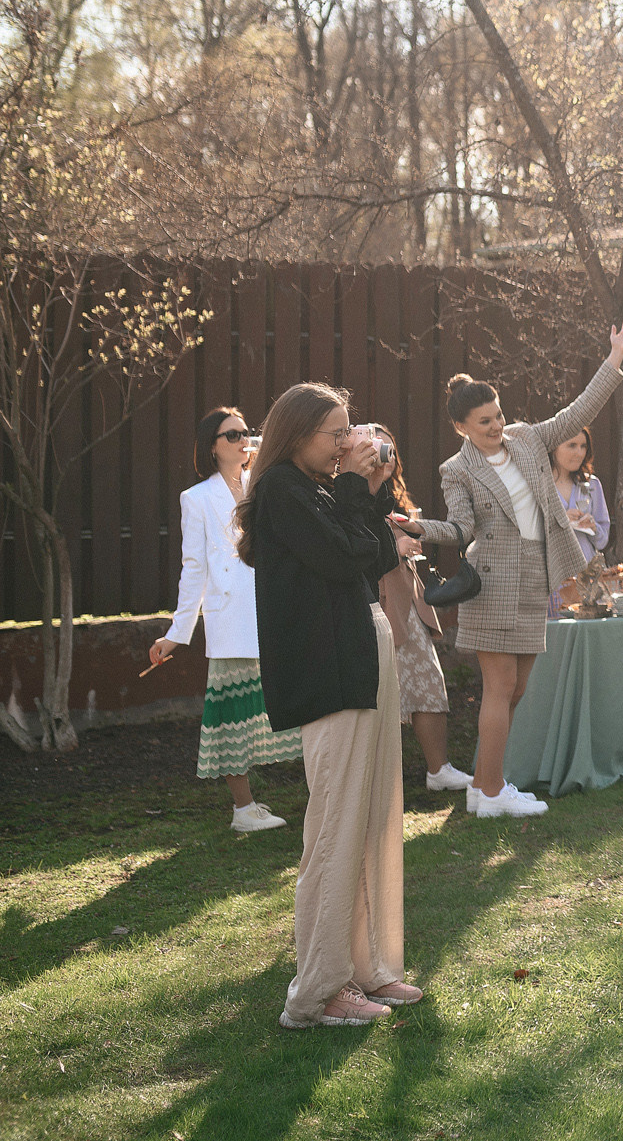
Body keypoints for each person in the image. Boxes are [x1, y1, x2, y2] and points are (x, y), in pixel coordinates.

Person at [407, 316, 623, 818]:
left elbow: (581, 409)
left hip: (536, 578)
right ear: (461, 428)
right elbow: (460, 530)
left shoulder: (528, 439)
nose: (495, 427)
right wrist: (416, 527)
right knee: (499, 687)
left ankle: (485, 784)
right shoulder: (457, 470)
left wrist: (616, 354)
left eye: (497, 416)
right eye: (483, 422)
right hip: (492, 583)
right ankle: (491, 793)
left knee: (517, 689)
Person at [239, 382, 416, 1028]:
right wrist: (351, 485)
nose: (348, 442)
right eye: (336, 433)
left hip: (357, 657)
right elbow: (341, 559)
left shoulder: (318, 488)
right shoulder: (284, 490)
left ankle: (366, 967)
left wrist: (366, 489)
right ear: (297, 434)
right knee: (335, 829)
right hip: (325, 670)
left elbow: (369, 555)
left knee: (369, 819)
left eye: (349, 431)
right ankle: (315, 993)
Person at [149, 408, 298, 833]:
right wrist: (177, 634)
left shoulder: (266, 486)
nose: (243, 440)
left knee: (295, 701)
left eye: (246, 433)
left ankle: (323, 793)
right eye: (231, 434)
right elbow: (193, 568)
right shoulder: (196, 499)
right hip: (231, 621)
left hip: (275, 613)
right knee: (234, 715)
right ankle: (243, 808)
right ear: (211, 446)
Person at [359, 426, 471, 795]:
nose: (384, 454)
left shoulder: (393, 495)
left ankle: (438, 770)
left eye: (388, 446)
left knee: (427, 682)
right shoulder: (350, 495)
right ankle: (376, 781)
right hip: (378, 605)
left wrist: (408, 543)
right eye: (374, 448)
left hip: (408, 601)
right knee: (378, 695)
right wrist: (399, 546)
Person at [550, 426, 612, 613]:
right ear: (554, 447)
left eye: (583, 446)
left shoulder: (591, 485)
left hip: (587, 577)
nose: (579, 453)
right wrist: (560, 521)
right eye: (572, 445)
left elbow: (602, 541)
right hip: (554, 577)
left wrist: (593, 526)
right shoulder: (540, 486)